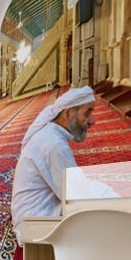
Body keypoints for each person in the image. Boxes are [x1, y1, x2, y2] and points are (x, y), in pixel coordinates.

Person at [11, 86, 97, 245]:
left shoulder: (51, 135)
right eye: (87, 112)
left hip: (33, 219)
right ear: (68, 113)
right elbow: (76, 198)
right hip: (35, 228)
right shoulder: (53, 144)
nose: (93, 120)